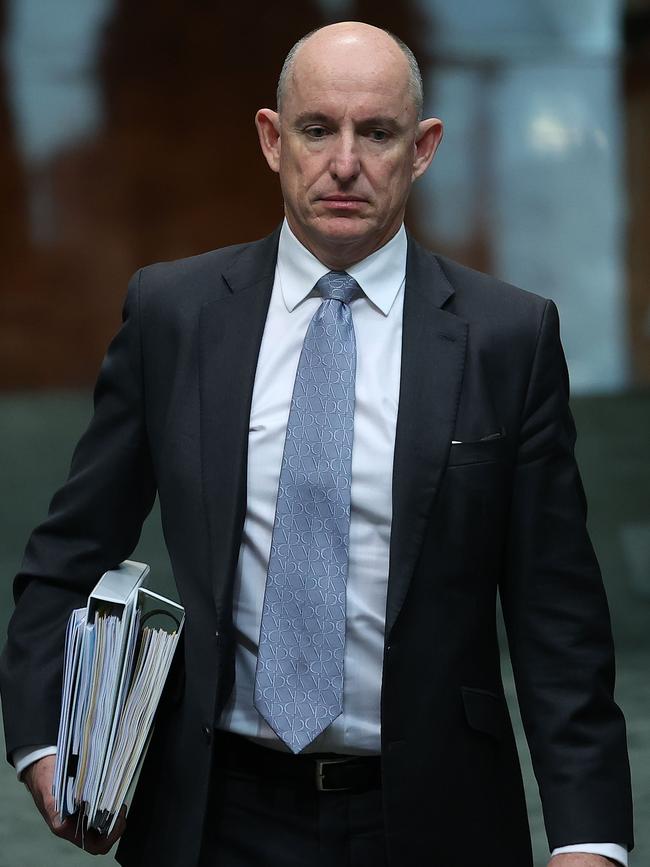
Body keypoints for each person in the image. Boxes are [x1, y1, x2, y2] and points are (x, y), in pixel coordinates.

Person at [0, 21, 633, 867]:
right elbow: (69, 552)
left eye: (377, 132)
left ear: (423, 147)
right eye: (316, 128)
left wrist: (589, 840)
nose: (345, 162)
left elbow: (560, 620)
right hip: (209, 815)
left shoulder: (506, 336)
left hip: (434, 817)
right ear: (272, 139)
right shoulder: (175, 315)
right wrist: (45, 743)